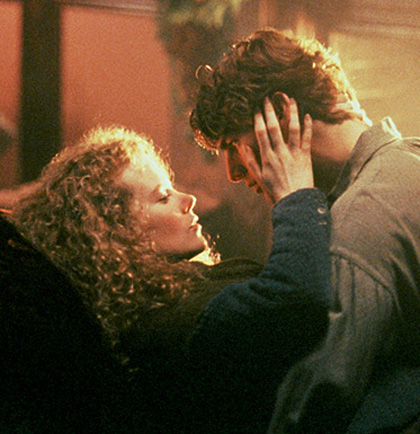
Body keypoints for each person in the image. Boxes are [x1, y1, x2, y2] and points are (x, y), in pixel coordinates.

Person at [10, 99, 331, 434]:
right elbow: (295, 297)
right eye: (163, 197)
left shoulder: (162, 302)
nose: (188, 200)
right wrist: (295, 196)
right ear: (115, 231)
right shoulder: (168, 325)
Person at [190, 27, 420, 434]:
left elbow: (315, 406)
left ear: (282, 112)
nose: (232, 172)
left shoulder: (361, 221)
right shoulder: (406, 159)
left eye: (232, 144)